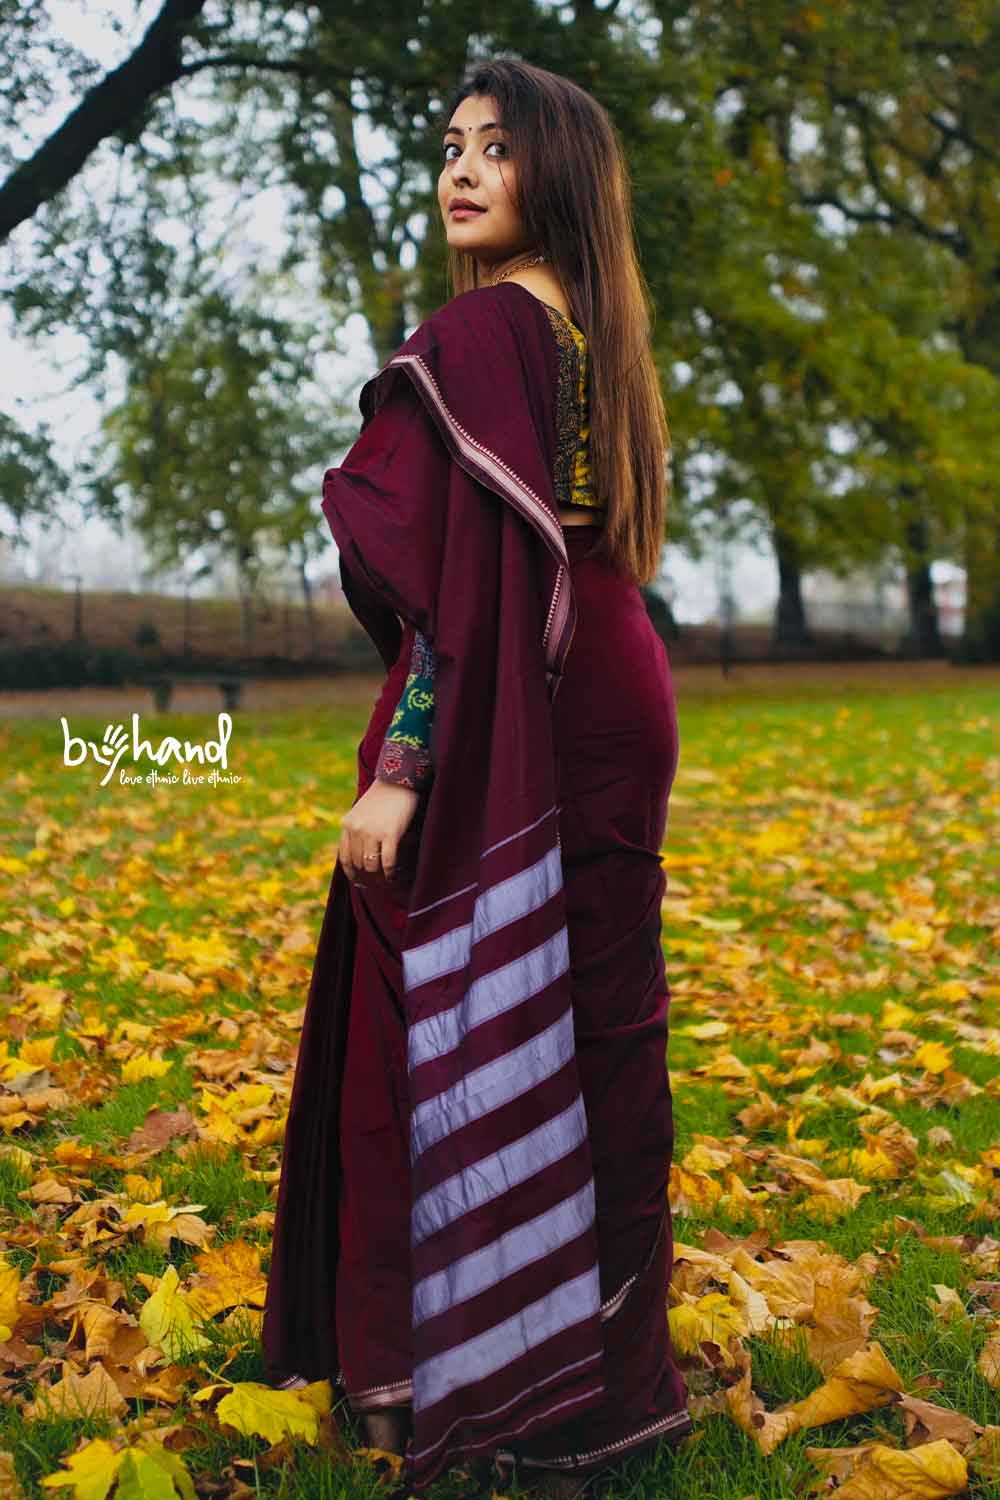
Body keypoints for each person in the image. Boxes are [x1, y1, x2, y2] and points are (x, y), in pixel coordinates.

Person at [262, 57, 692, 1498]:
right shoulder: (600, 333)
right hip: (616, 679)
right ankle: (608, 1389)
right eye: (450, 146)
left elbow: (462, 589)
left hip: (534, 693)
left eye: (497, 150)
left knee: (438, 1007)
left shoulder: (485, 329)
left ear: (553, 174)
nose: (461, 170)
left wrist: (403, 763)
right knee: (594, 1032)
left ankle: (448, 1380)